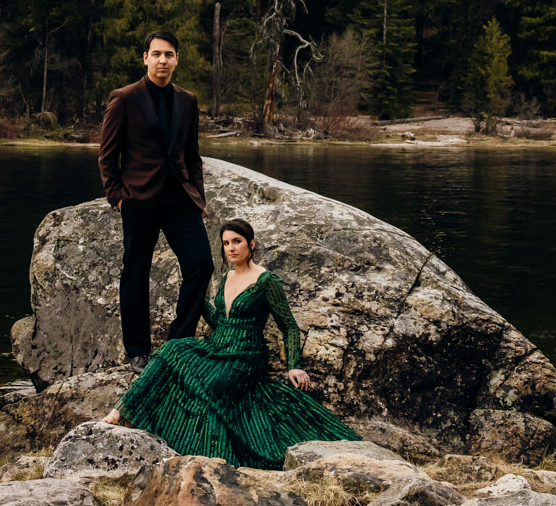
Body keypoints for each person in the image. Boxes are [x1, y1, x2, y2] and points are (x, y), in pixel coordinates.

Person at [101, 219, 362, 468]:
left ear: (252, 244)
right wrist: (196, 298)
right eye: (226, 243)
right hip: (217, 348)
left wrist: (294, 365)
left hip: (245, 356)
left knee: (211, 386)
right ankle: (118, 412)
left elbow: (289, 326)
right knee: (172, 349)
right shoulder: (226, 278)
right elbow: (220, 320)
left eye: (237, 241)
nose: (231, 248)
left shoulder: (266, 281)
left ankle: (201, 454)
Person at [97, 31, 213, 369]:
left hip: (180, 199)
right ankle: (137, 351)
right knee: (136, 273)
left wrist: (199, 198)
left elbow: (193, 155)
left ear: (177, 60)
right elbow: (107, 156)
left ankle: (178, 341)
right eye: (157, 54)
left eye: (170, 55)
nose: (163, 60)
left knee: (201, 264)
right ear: (145, 57)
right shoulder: (124, 98)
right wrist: (117, 197)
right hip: (139, 199)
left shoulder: (187, 100)